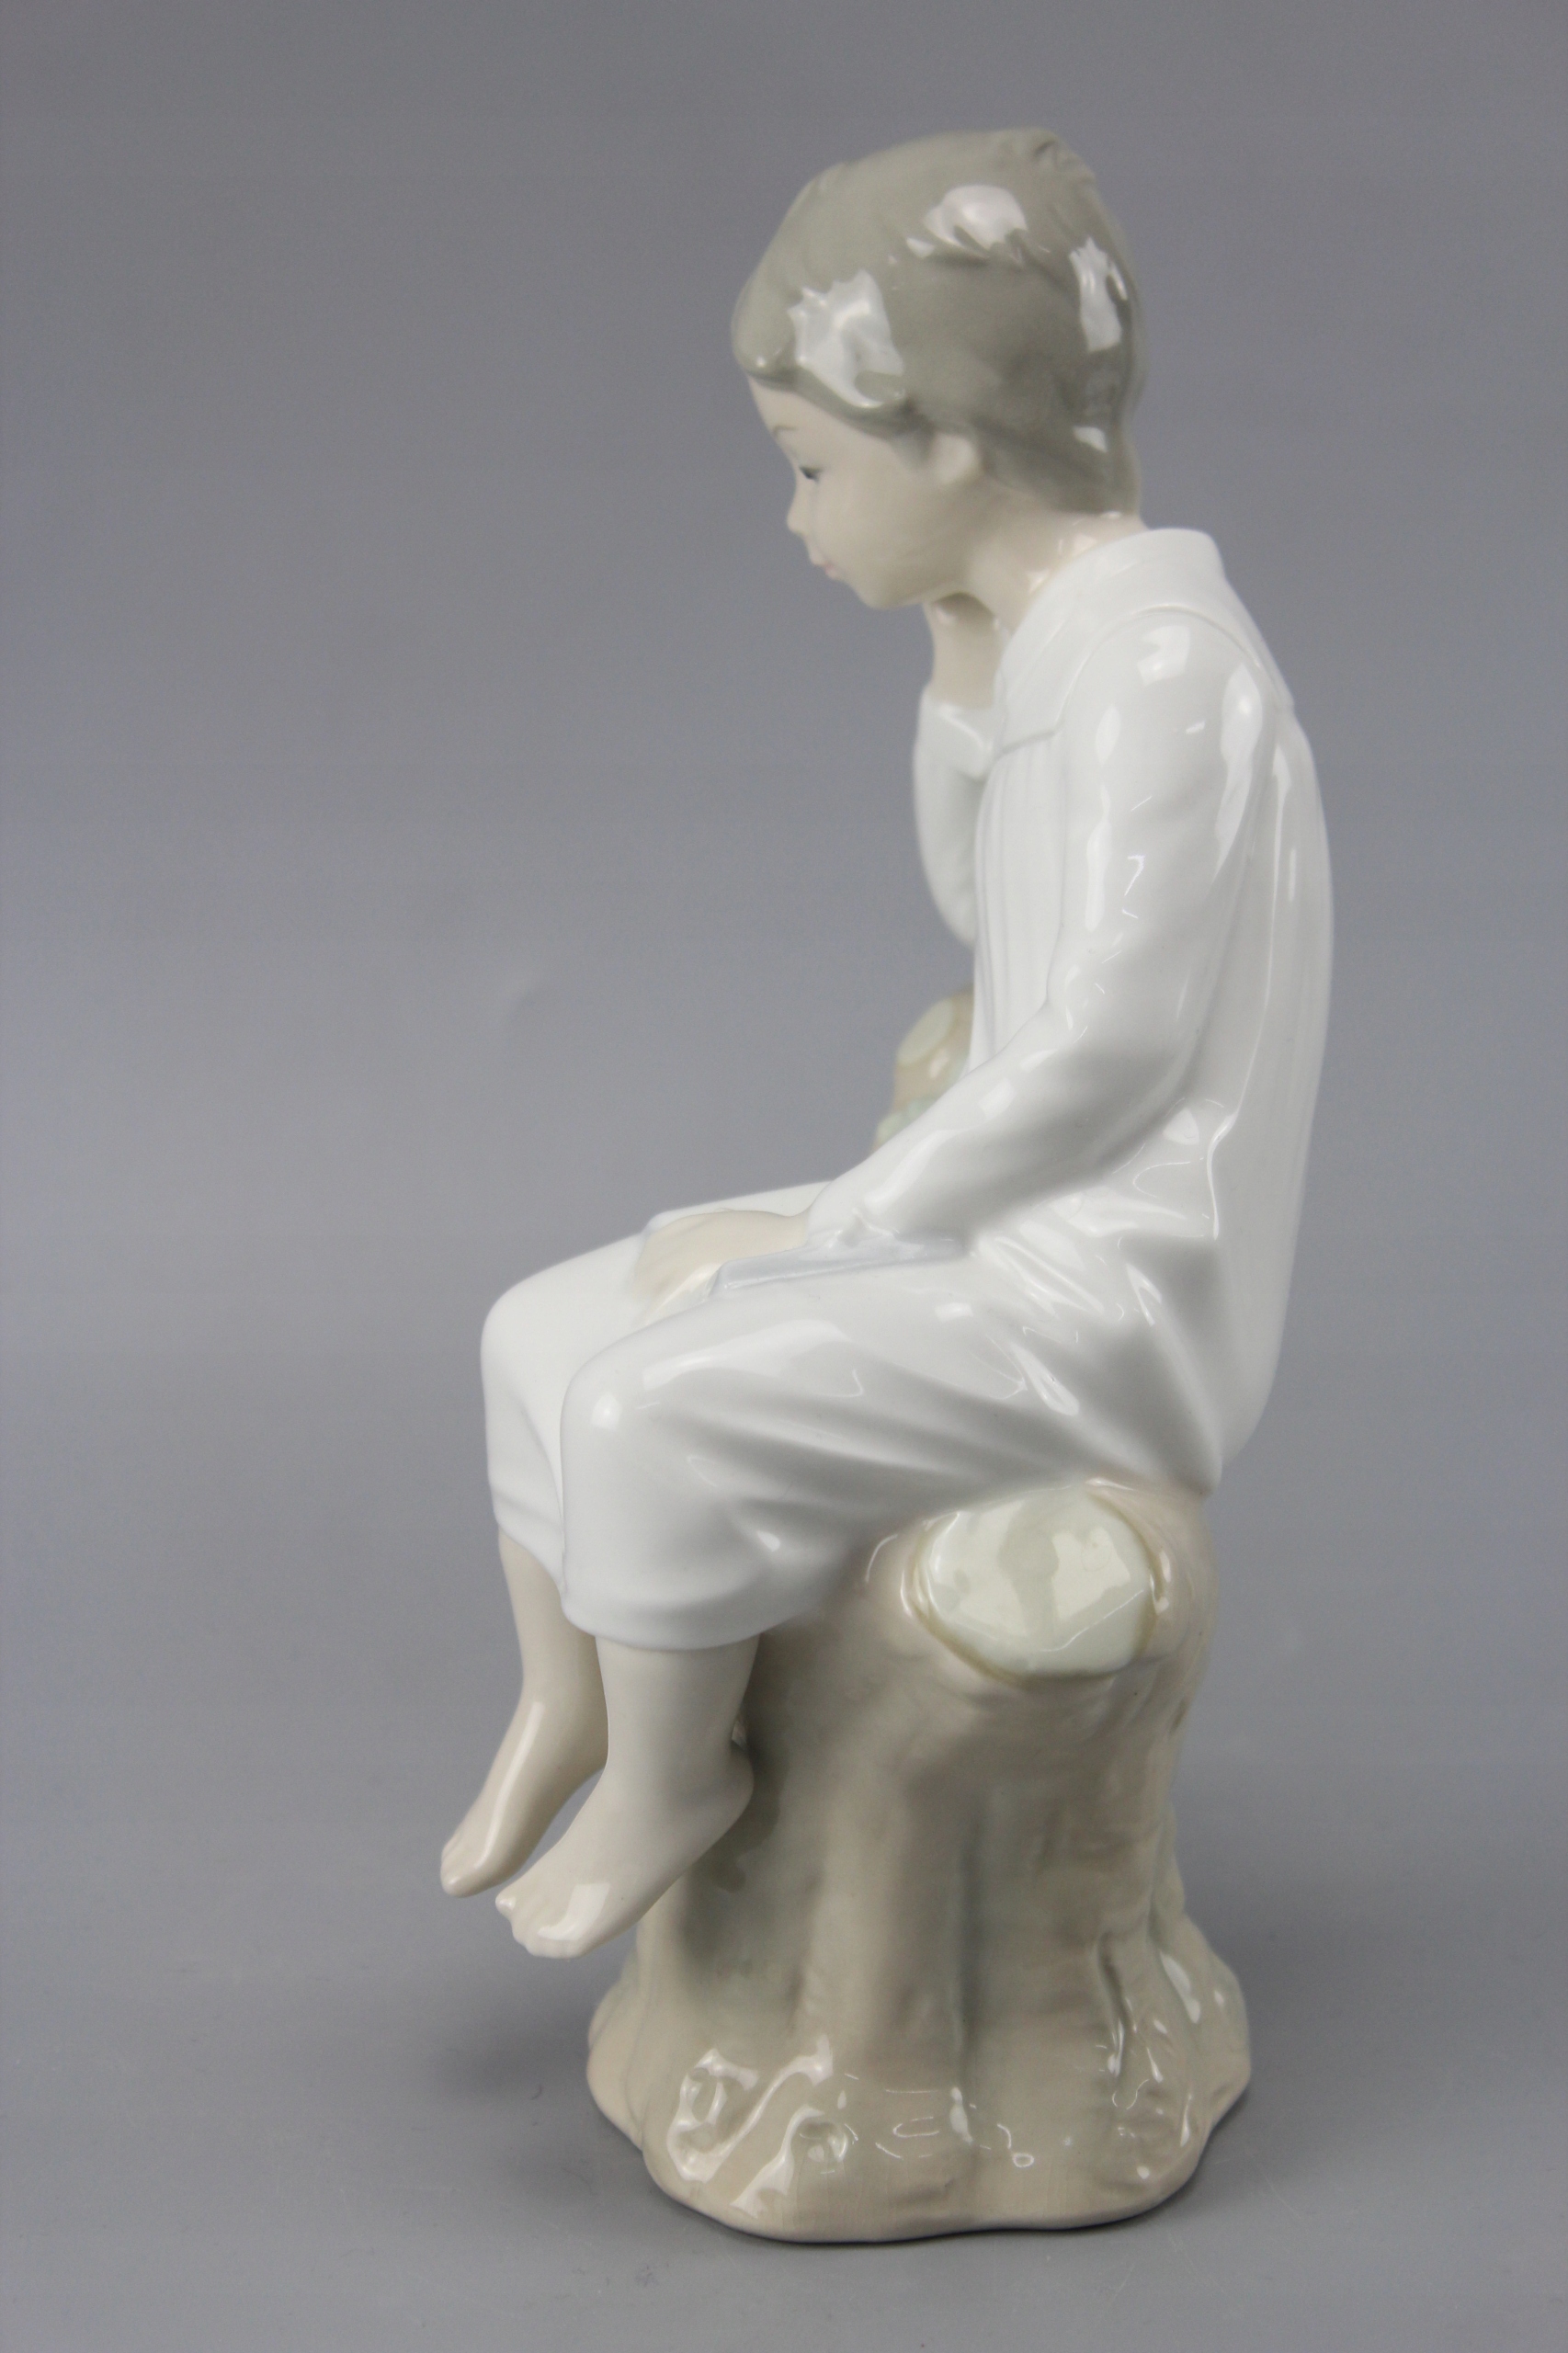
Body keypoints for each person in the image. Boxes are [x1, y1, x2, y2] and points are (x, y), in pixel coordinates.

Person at [440, 129, 1332, 1958]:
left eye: (810, 465)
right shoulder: (1063, 643)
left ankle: (676, 1780)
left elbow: (1102, 1053)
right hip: (1006, 1227)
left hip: (1108, 1301)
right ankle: (573, 1700)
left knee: (641, 1405)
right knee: (534, 1324)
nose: (797, 518)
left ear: (946, 441)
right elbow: (976, 907)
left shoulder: (1162, 668)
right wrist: (955, 665)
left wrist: (828, 1234)